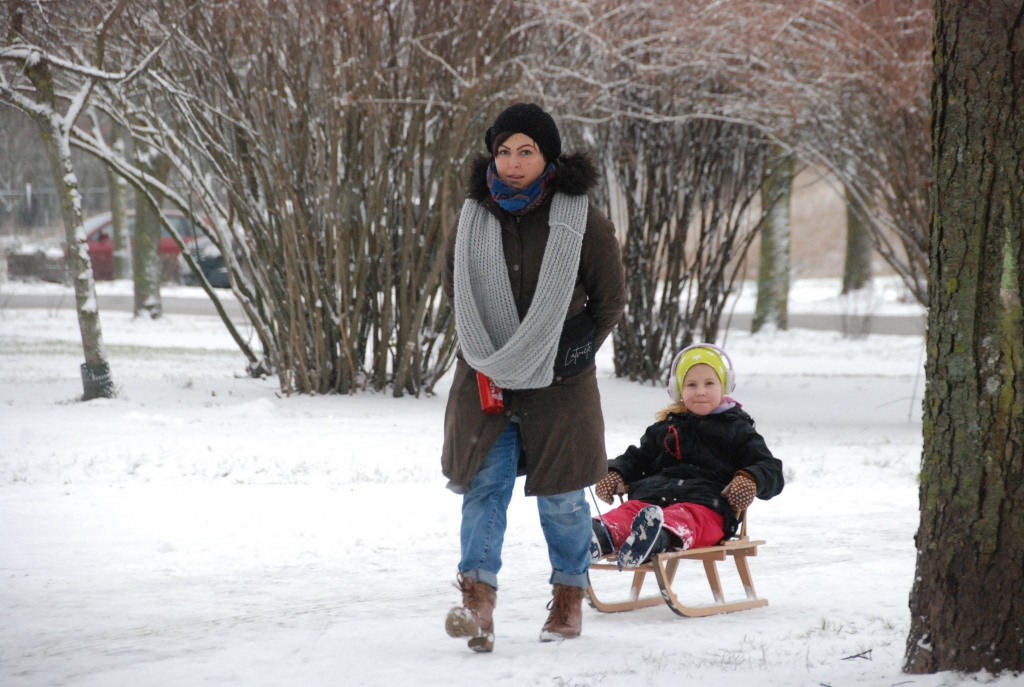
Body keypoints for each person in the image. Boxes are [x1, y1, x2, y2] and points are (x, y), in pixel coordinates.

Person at [441, 103, 627, 652]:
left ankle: (568, 597)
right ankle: (478, 603)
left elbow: (609, 300)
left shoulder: (581, 218)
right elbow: (456, 292)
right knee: (483, 489)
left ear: (547, 157)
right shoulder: (472, 219)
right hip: (486, 379)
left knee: (564, 500)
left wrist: (575, 349)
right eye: (504, 151)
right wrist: (492, 348)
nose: (514, 163)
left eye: (527, 152)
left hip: (560, 386)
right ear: (492, 156)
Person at [591, 344, 784, 568]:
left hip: (707, 505)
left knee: (685, 519)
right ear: (678, 389)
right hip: (652, 500)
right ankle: (597, 536)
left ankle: (655, 539)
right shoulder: (666, 428)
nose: (700, 391)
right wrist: (616, 472)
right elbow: (637, 458)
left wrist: (750, 479)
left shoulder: (737, 429)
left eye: (709, 383)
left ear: (724, 386)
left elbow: (770, 468)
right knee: (626, 515)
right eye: (691, 384)